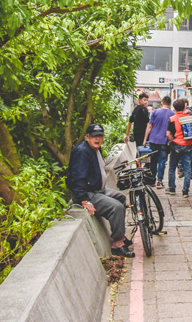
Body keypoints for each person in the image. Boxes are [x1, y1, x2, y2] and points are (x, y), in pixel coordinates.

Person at [67, 123, 135, 258]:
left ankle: (119, 234)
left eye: (100, 136)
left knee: (121, 198)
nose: (97, 139)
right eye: (94, 137)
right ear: (87, 137)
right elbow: (77, 178)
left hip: (99, 189)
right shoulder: (82, 152)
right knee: (116, 207)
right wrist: (84, 200)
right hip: (88, 193)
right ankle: (117, 244)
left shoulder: (95, 149)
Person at [142, 96, 173, 188]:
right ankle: (159, 181)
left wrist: (145, 139)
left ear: (162, 103)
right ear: (170, 104)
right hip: (164, 141)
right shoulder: (172, 114)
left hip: (153, 140)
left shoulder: (155, 112)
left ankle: (152, 180)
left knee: (153, 161)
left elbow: (149, 126)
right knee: (162, 161)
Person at [166, 99, 192, 197]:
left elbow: (168, 134)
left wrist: (172, 140)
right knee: (187, 169)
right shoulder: (189, 117)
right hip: (188, 145)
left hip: (176, 145)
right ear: (184, 107)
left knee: (172, 167)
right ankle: (185, 191)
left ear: (174, 108)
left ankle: (172, 189)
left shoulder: (172, 118)